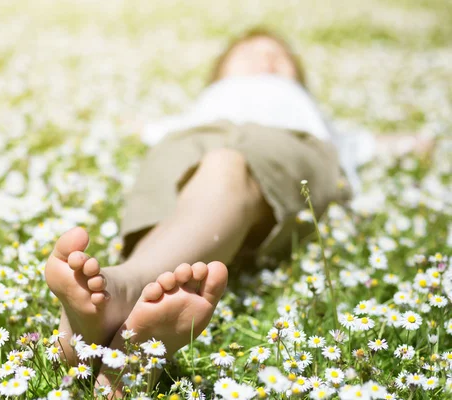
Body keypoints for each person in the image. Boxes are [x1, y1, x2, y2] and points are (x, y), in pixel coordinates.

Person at [44, 28, 433, 396]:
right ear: (219, 74)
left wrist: (417, 141)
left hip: (286, 142)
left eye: (279, 57)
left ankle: (120, 295)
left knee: (226, 166)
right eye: (248, 53)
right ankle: (115, 329)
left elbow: (378, 143)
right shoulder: (198, 109)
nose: (265, 59)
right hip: (193, 137)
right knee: (183, 190)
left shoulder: (312, 115)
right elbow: (134, 126)